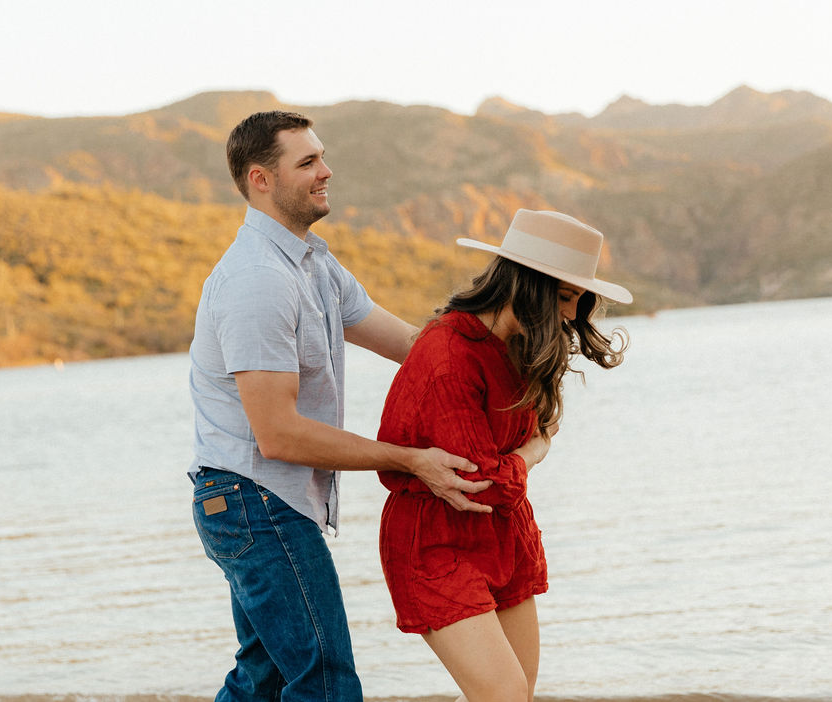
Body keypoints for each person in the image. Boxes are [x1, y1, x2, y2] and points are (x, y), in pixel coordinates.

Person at [187, 110, 492, 702]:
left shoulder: (315, 265)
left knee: (264, 678)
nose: (327, 171)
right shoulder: (257, 279)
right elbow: (278, 435)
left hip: (262, 502)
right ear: (261, 180)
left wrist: (505, 349)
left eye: (322, 156)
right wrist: (411, 459)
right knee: (324, 681)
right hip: (254, 501)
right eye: (307, 163)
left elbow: (413, 346)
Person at [376, 209, 633, 702]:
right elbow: (480, 483)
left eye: (577, 301)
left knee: (515, 695)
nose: (568, 315)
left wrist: (527, 445)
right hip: (438, 542)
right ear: (524, 283)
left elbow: (510, 455)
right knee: (504, 696)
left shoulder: (519, 346)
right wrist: (535, 451)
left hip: (504, 535)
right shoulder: (448, 354)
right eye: (562, 297)